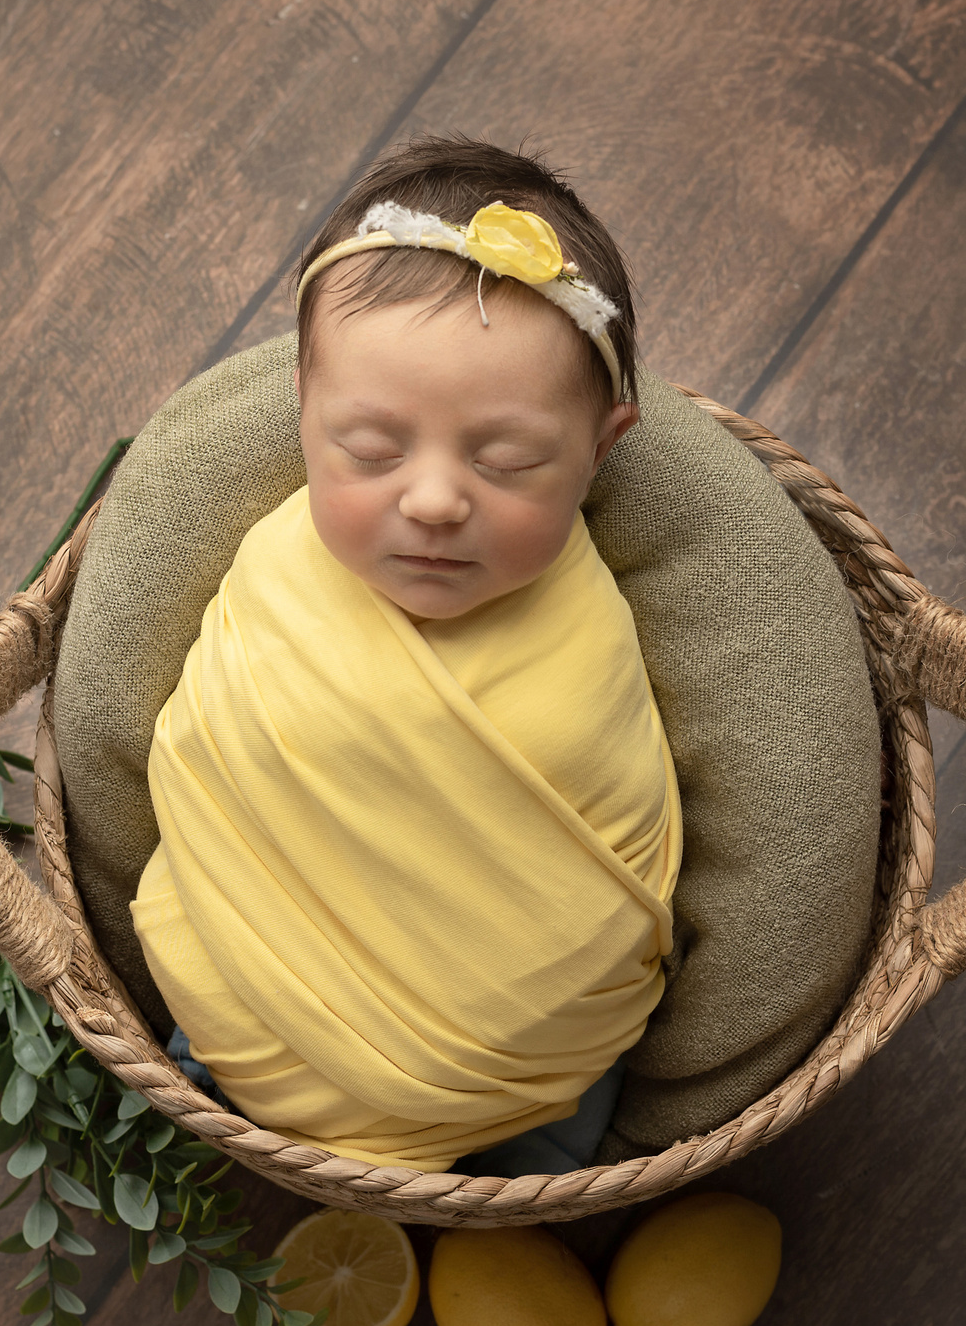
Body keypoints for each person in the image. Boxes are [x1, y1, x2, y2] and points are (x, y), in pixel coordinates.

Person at [128, 136, 679, 1174]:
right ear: (302, 413)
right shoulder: (276, 576)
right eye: (371, 451)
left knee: (569, 1143)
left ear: (602, 448)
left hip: (519, 1079)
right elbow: (206, 762)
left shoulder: (586, 640)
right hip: (240, 1020)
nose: (431, 500)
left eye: (507, 459)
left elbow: (601, 884)